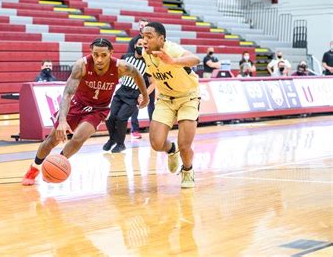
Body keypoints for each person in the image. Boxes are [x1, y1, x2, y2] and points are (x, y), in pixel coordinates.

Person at [22, 37, 149, 186]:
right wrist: (62, 120)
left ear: (111, 53)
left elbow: (137, 74)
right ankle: (34, 168)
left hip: (98, 109)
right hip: (77, 105)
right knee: (52, 140)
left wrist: (145, 96)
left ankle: (56, 165)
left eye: (104, 55)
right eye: (96, 55)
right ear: (91, 53)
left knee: (79, 137)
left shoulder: (121, 67)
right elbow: (68, 94)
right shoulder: (81, 65)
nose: (99, 59)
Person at [141, 22, 200, 188]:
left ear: (161, 39)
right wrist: (145, 95)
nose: (145, 41)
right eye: (143, 37)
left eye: (149, 37)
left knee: (185, 145)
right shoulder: (146, 55)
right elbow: (152, 78)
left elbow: (195, 59)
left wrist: (173, 61)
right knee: (156, 143)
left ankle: (187, 170)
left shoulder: (172, 49)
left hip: (188, 97)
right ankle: (171, 150)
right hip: (166, 99)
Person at [103, 38, 155, 153]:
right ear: (135, 45)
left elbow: (153, 83)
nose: (141, 46)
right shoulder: (126, 57)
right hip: (122, 90)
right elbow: (117, 72)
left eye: (144, 45)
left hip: (134, 94)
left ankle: (121, 144)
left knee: (121, 118)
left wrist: (144, 94)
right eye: (139, 44)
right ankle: (112, 139)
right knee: (109, 117)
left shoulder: (148, 62)